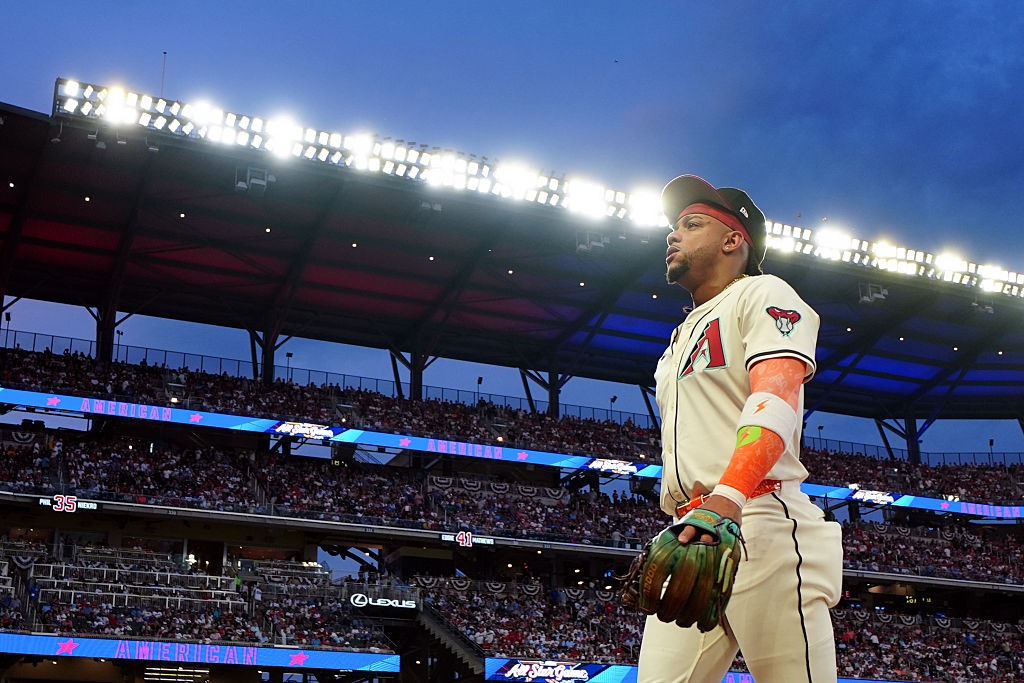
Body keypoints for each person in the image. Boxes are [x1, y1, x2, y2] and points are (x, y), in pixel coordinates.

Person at [637, 175, 843, 682]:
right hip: (693, 530)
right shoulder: (679, 337)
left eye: (692, 223)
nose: (673, 235)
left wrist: (727, 497)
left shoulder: (764, 293)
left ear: (734, 240)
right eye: (673, 226)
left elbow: (775, 398)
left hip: (759, 518)